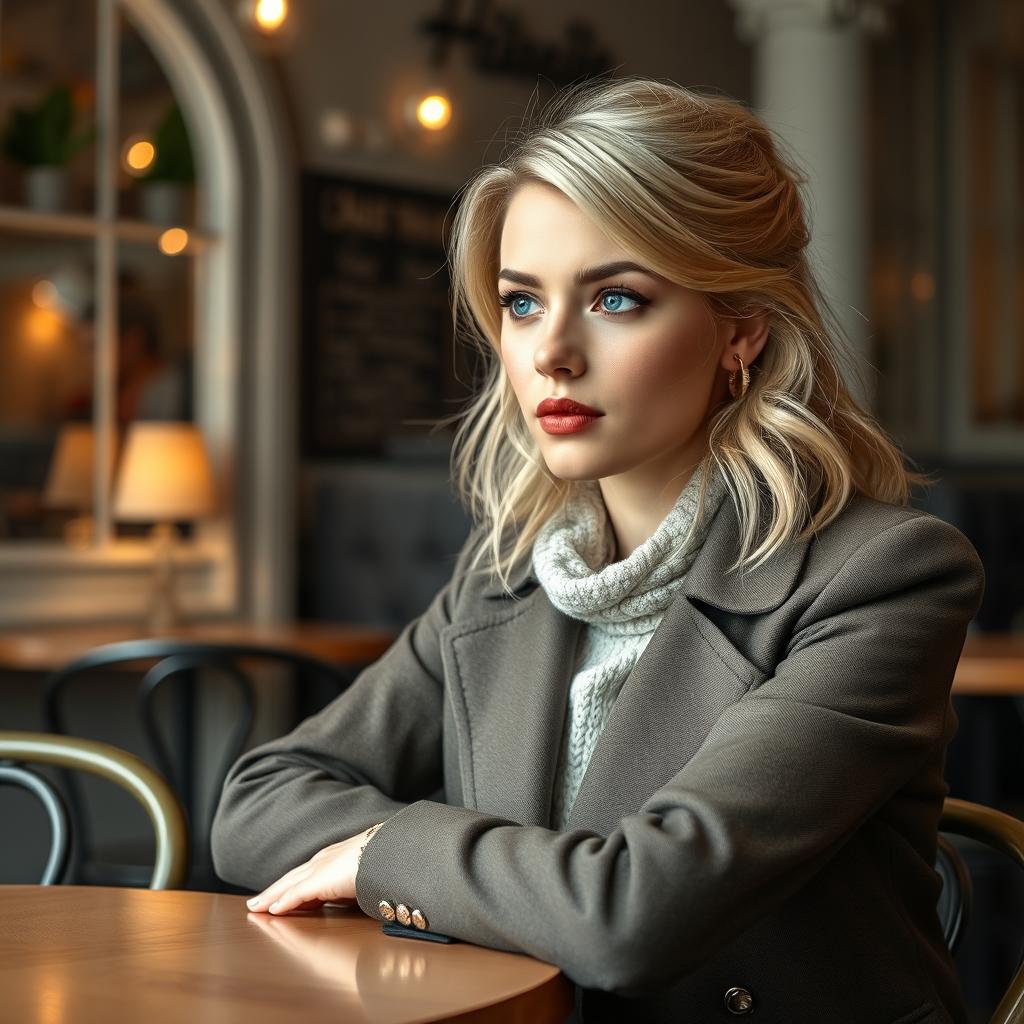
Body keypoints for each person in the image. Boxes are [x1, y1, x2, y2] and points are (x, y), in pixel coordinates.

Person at [212, 77, 984, 1024]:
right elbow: (259, 800)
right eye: (522, 303)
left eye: (616, 298)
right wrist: (511, 879)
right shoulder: (506, 573)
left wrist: (383, 854)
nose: (552, 353)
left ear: (741, 329)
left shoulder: (883, 579)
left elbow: (634, 914)